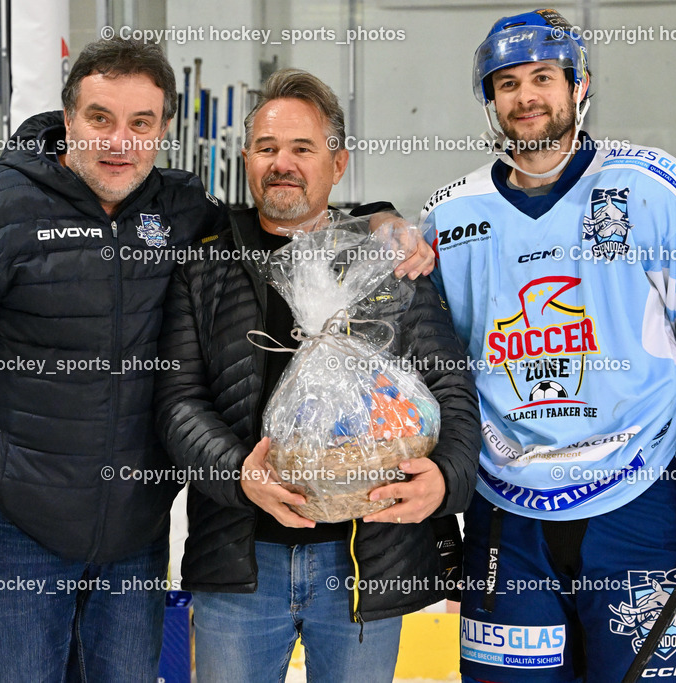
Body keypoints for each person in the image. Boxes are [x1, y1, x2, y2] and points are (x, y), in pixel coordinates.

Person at [419, 10, 676, 682]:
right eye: (508, 83)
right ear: (490, 99)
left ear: (578, 85)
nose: (526, 96)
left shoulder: (651, 188)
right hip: (505, 514)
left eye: (543, 78)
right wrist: (435, 492)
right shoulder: (450, 217)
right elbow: (429, 366)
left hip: (636, 503)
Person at [0, 38, 228, 681]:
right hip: (14, 521)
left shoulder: (184, 210)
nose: (119, 142)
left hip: (134, 528)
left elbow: (279, 231)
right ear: (69, 117)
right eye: (100, 118)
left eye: (141, 123)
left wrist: (381, 223)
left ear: (164, 130)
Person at [154, 68, 480, 683]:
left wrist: (446, 480)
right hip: (238, 561)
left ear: (339, 163)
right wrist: (239, 474)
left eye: (302, 148)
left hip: (365, 563)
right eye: (267, 148)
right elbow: (178, 401)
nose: (283, 164)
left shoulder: (386, 260)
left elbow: (450, 386)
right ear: (246, 160)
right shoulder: (204, 265)